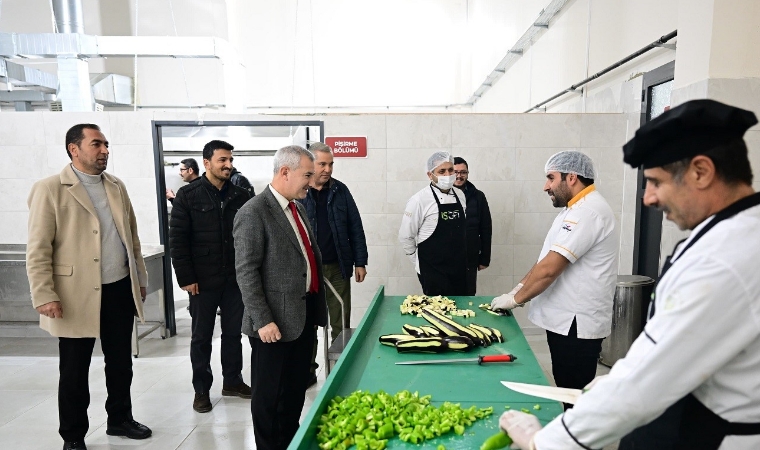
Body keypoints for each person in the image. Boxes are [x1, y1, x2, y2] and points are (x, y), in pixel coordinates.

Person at [498, 99, 760, 450]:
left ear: (701, 171)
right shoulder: (727, 234)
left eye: (654, 182)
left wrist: (542, 441)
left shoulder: (725, 257)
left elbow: (645, 381)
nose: (648, 198)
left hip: (706, 433)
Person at [26, 123, 152, 450]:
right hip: (73, 295)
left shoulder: (116, 186)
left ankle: (120, 419)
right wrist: (44, 294)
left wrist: (139, 280)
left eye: (106, 144)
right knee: (74, 371)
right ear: (74, 149)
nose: (105, 150)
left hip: (118, 289)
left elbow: (132, 240)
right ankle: (73, 435)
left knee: (121, 363)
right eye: (96, 144)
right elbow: (38, 248)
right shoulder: (50, 188)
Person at [492, 151, 618, 405]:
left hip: (577, 323)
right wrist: (519, 287)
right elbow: (545, 259)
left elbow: (551, 268)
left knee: (574, 393)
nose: (545, 186)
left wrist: (515, 299)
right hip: (567, 320)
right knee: (565, 385)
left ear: (571, 177)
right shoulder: (574, 210)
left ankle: (576, 441)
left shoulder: (588, 212)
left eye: (551, 178)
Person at [233, 145, 328, 450]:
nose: (311, 181)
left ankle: (289, 442)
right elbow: (246, 272)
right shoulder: (253, 212)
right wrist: (263, 321)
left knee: (293, 393)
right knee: (269, 399)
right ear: (285, 172)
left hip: (301, 317)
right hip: (272, 325)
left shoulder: (297, 207)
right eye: (307, 175)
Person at [169, 140, 252, 413]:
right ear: (206, 163)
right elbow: (178, 241)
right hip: (201, 282)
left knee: (233, 334)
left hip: (234, 280)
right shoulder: (188, 196)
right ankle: (201, 390)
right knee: (201, 337)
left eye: (230, 159)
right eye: (222, 160)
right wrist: (185, 277)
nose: (228, 165)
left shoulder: (241, 196)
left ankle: (232, 381)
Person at [298, 142, 368, 387]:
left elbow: (355, 227)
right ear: (310, 164)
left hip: (337, 266)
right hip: (307, 271)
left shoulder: (340, 191)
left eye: (331, 164)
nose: (328, 169)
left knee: (340, 321)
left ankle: (339, 369)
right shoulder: (299, 191)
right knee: (309, 322)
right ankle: (308, 370)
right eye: (322, 164)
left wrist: (361, 261)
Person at [399, 151, 468, 296]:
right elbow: (406, 236)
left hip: (458, 268)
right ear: (430, 175)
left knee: (461, 311)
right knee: (437, 313)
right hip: (432, 270)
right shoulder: (419, 200)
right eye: (441, 171)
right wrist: (419, 263)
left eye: (450, 170)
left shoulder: (460, 195)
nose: (447, 175)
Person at [453, 156, 492, 295]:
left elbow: (486, 229)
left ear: (467, 174)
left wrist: (484, 259)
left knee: (468, 294)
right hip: (445, 257)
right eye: (455, 172)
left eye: (463, 172)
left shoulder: (478, 197)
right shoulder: (440, 196)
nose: (459, 176)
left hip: (469, 257)